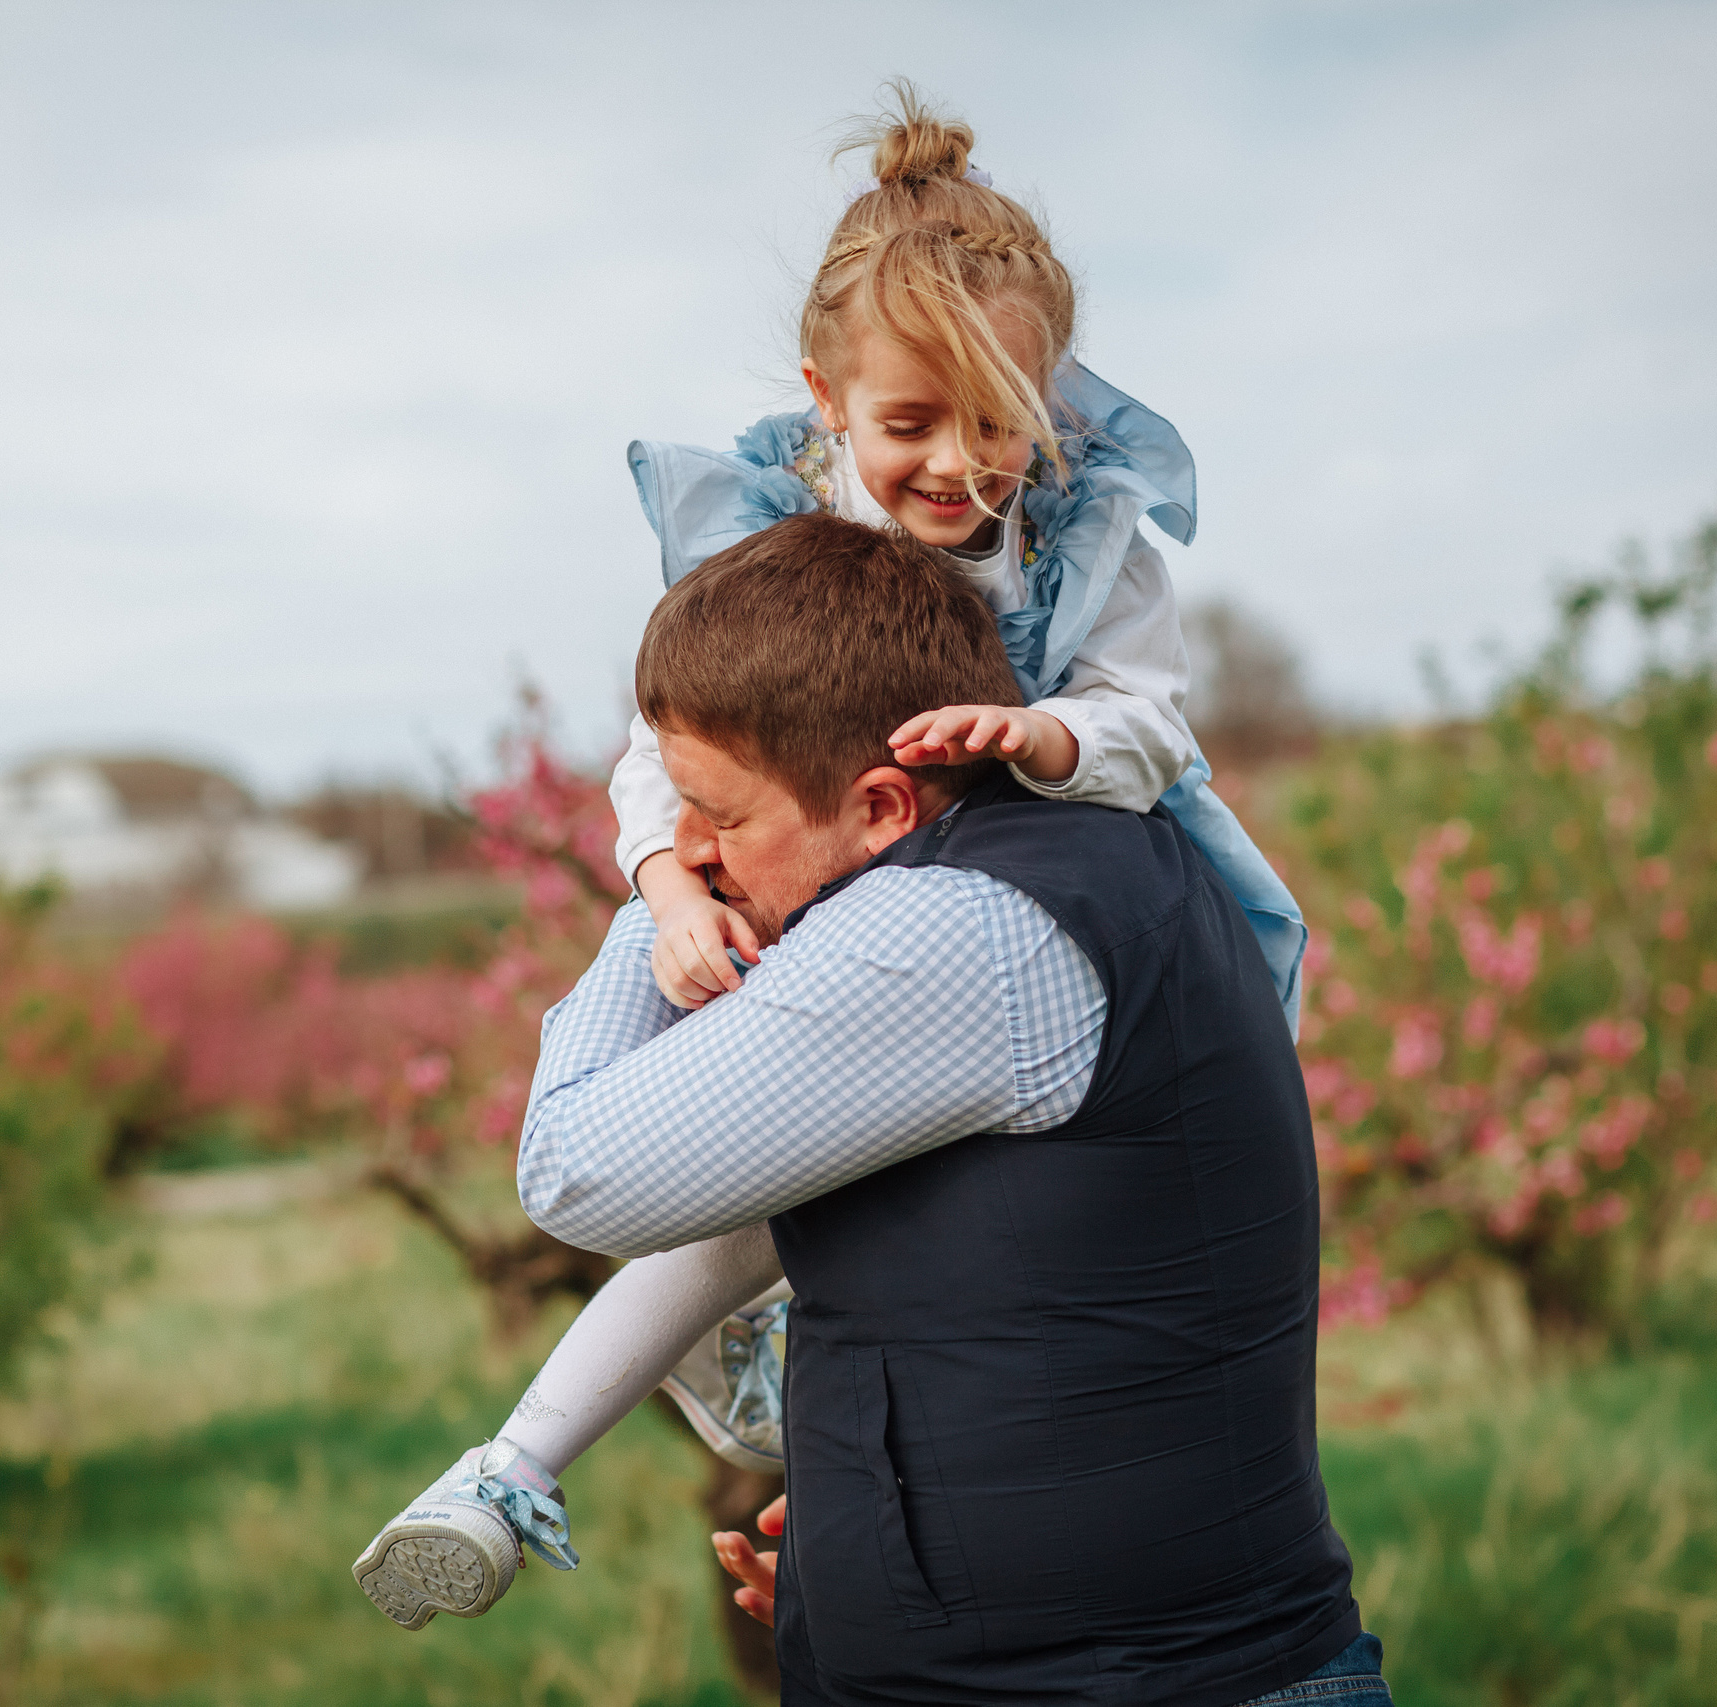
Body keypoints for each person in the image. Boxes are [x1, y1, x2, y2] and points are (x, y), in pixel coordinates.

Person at [352, 80, 1307, 1628]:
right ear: (827, 401)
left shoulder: (1082, 538)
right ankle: (526, 1454)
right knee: (803, 1207)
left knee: (777, 1204)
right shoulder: (779, 546)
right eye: (909, 424)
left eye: (1001, 422)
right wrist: (674, 878)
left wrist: (1043, 742)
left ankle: (533, 1457)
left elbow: (1148, 717)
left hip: (1000, 830)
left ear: (1050, 399)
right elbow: (675, 754)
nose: (959, 468)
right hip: (859, 883)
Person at [386, 515, 1384, 1703]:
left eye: (721, 818)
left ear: (879, 806)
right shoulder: (1063, 865)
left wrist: (658, 909)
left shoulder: (951, 926)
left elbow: (573, 1170)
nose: (692, 849)